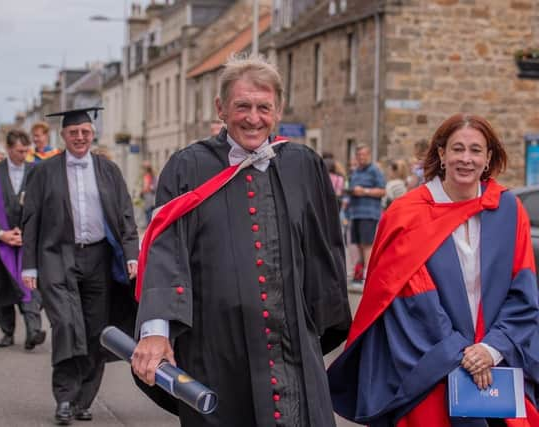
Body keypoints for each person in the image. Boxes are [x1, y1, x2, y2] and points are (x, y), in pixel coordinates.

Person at [131, 55, 350, 427]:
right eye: (242, 106)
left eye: (264, 107)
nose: (253, 118)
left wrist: (318, 329)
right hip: (217, 346)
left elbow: (324, 250)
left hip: (291, 347)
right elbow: (167, 250)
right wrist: (156, 330)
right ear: (221, 108)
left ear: (278, 109)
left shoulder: (304, 165)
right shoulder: (188, 167)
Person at [328, 114, 539, 426]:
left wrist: (492, 348)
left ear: (488, 157)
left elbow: (523, 293)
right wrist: (461, 353)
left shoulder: (507, 211)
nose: (466, 159)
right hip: (428, 369)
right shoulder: (406, 214)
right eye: (457, 149)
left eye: (476, 150)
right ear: (441, 154)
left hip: (497, 368)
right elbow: (408, 297)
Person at [21, 107, 139, 425]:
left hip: (99, 257)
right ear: (63, 136)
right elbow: (30, 220)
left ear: (92, 134)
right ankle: (64, 397)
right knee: (66, 325)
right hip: (57, 255)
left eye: (85, 132)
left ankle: (83, 400)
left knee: (95, 330)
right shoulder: (44, 172)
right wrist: (29, 266)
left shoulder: (108, 170)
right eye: (73, 132)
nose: (80, 137)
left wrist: (132, 254)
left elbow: (125, 214)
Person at [0, 130, 46, 345]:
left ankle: (33, 330)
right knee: (3, 287)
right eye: (19, 151)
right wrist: (1, 234)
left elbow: (45, 206)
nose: (23, 155)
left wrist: (28, 233)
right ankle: (7, 332)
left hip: (28, 241)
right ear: (8, 148)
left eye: (26, 151)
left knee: (30, 284)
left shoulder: (37, 171)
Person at [348, 144, 386, 287]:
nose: (361, 158)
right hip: (355, 213)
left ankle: (367, 277)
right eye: (359, 155)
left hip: (369, 213)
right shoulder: (355, 172)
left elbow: (383, 191)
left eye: (363, 155)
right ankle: (359, 275)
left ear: (369, 155)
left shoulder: (375, 171)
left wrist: (364, 191)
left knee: (367, 245)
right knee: (358, 245)